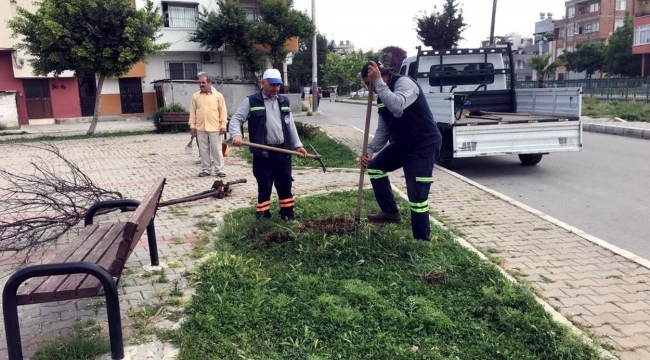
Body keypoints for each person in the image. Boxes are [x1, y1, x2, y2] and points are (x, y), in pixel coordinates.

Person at [359, 60, 442, 241]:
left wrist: (378, 82)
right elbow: (384, 129)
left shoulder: (405, 83)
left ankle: (422, 240)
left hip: (423, 144)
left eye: (368, 83)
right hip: (403, 144)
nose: (370, 88)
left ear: (379, 75)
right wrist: (370, 150)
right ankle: (390, 213)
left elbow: (397, 104)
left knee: (417, 197)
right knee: (375, 167)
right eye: (367, 84)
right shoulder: (382, 95)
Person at [229, 68, 307, 220]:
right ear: (263, 83)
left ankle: (287, 214)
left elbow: (290, 124)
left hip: (283, 153)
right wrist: (236, 135)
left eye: (278, 85)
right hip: (263, 154)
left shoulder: (283, 100)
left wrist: (298, 144)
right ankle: (263, 216)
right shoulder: (251, 101)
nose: (276, 88)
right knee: (264, 185)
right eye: (272, 85)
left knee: (285, 185)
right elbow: (236, 119)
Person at [189, 72, 228, 177]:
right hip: (201, 127)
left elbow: (223, 111)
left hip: (215, 127)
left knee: (216, 148)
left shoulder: (218, 96)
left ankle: (219, 169)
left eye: (203, 82)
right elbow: (192, 112)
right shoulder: (195, 96)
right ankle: (206, 169)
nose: (201, 84)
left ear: (209, 83)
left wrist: (223, 125)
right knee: (203, 149)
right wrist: (192, 126)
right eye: (199, 82)